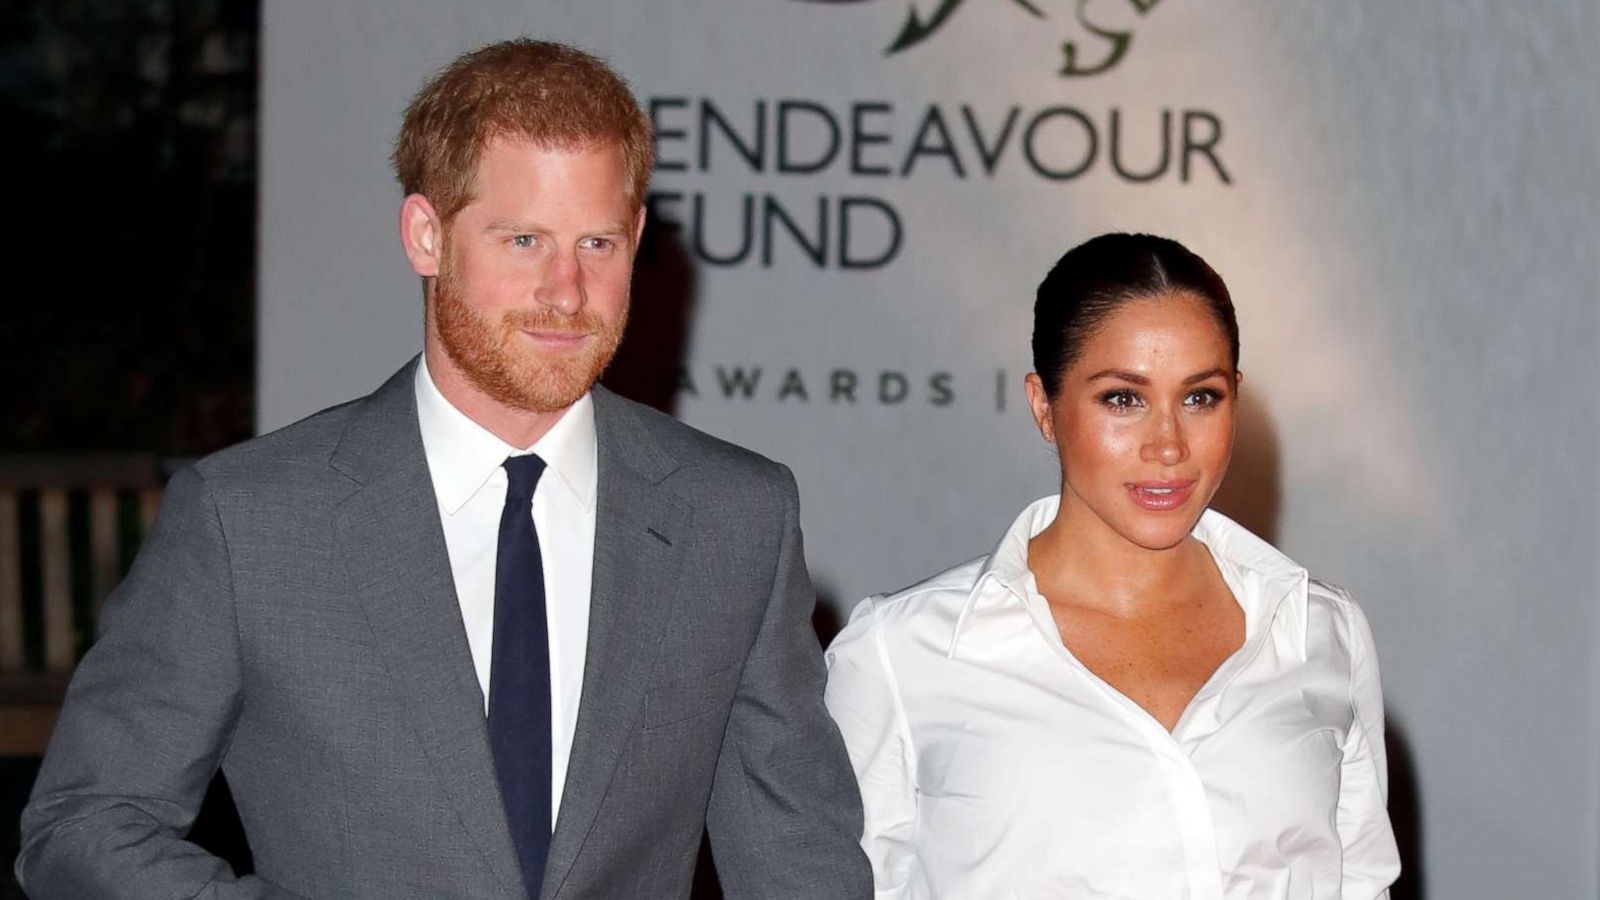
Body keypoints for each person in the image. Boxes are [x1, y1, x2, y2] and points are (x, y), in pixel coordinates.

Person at [17, 39, 870, 900]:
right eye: (525, 238)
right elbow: (85, 822)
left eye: (599, 243)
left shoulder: (735, 518)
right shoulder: (250, 520)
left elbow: (799, 862)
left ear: (638, 235)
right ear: (427, 235)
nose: (566, 291)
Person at [824, 233, 1400, 899]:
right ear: (1045, 405)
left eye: (1200, 397)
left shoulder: (1320, 631)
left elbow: (1362, 885)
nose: (1168, 445)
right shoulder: (900, 655)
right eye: (1123, 399)